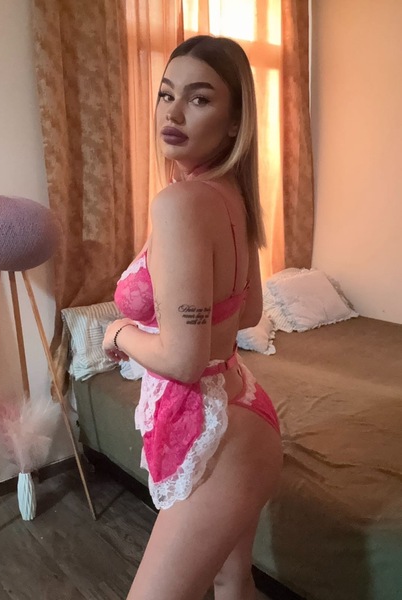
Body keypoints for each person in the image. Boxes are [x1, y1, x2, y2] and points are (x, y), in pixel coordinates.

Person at [103, 35, 283, 600]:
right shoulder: (232, 195)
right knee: (233, 581)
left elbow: (183, 361)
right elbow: (249, 309)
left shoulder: (179, 204)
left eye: (199, 99)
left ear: (234, 123)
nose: (174, 112)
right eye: (166, 94)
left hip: (216, 432)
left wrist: (119, 333)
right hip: (246, 408)